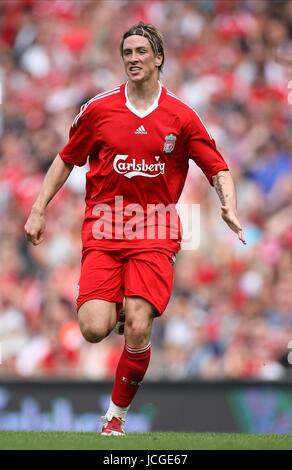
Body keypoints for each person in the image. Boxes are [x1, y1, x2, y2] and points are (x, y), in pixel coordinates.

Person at [24, 22, 246, 436]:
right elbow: (65, 159)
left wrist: (228, 205)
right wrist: (38, 209)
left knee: (141, 326)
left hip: (155, 229)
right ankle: (124, 307)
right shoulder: (99, 110)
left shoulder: (181, 115)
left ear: (158, 58)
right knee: (92, 328)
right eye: (127, 52)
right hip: (104, 228)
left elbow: (218, 168)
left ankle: (115, 418)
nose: (133, 59)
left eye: (142, 51)